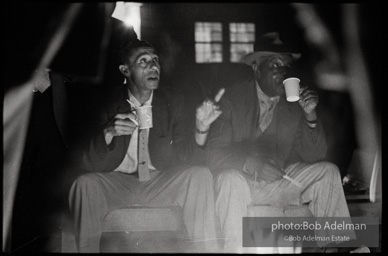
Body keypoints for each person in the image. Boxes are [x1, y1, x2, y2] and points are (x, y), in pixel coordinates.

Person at [68, 39, 224, 253]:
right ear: (125, 70)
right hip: (116, 183)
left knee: (200, 175)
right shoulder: (105, 101)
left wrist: (201, 127)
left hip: (159, 181)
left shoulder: (173, 101)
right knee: (84, 183)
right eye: (143, 61)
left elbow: (188, 159)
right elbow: (85, 162)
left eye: (155, 60)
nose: (153, 66)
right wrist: (108, 132)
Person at [206, 32, 356, 252]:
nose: (283, 72)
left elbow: (314, 155)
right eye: (275, 65)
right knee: (228, 179)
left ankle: (338, 248)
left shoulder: (292, 103)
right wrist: (252, 163)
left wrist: (310, 116)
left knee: (328, 171)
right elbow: (212, 153)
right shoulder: (232, 98)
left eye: (285, 66)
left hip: (278, 183)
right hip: (242, 184)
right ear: (257, 69)